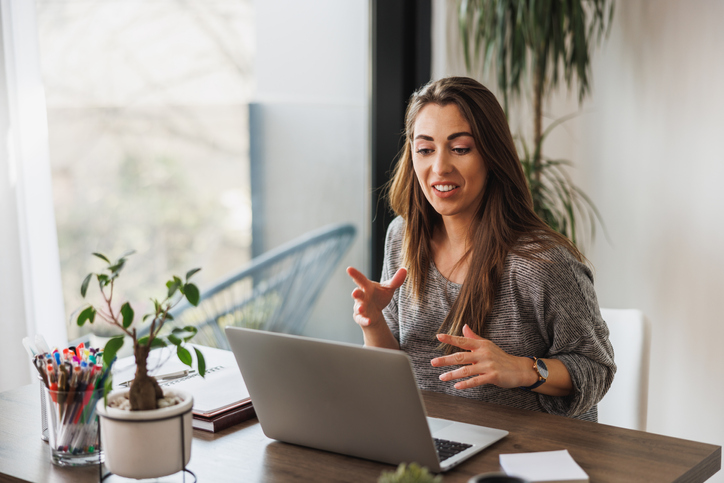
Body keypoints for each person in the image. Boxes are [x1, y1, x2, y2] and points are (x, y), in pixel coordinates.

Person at [347, 76, 615, 421]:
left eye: (460, 149)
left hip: (523, 455)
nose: (440, 167)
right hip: (431, 440)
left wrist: (522, 369)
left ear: (491, 154)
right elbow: (393, 374)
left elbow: (597, 371)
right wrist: (372, 323)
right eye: (425, 149)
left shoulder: (542, 264)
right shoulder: (403, 237)